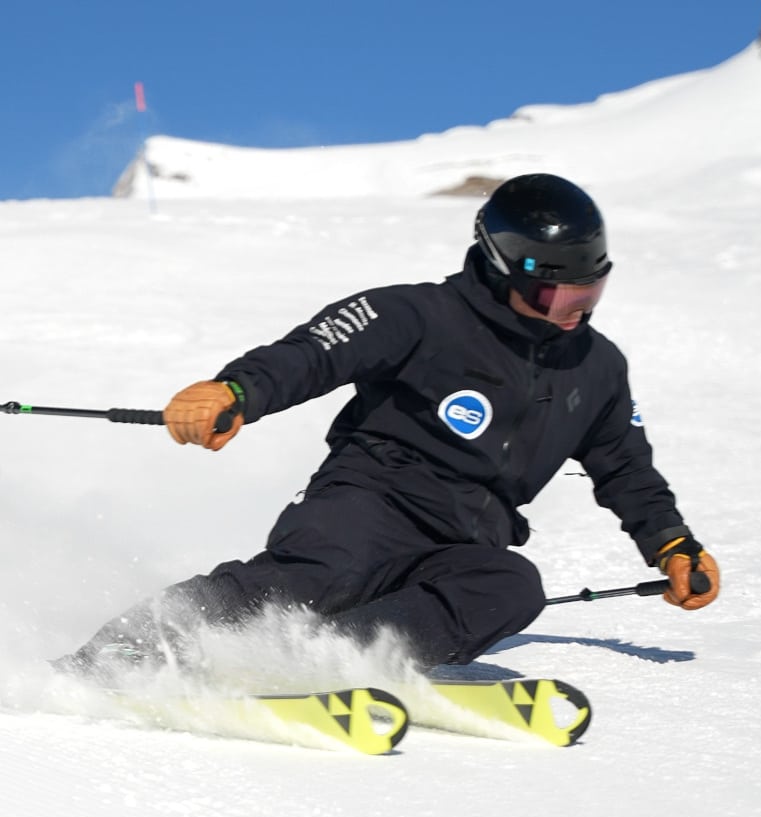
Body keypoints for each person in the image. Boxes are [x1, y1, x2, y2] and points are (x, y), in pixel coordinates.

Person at [60, 173, 719, 678]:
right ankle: (114, 655)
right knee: (319, 577)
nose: (571, 313)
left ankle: (332, 664)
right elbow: (316, 350)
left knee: (512, 587)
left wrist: (673, 547)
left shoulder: (597, 367)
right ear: (498, 266)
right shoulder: (421, 315)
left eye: (587, 294)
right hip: (368, 501)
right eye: (553, 295)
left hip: (468, 534)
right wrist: (236, 390)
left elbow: (627, 467)